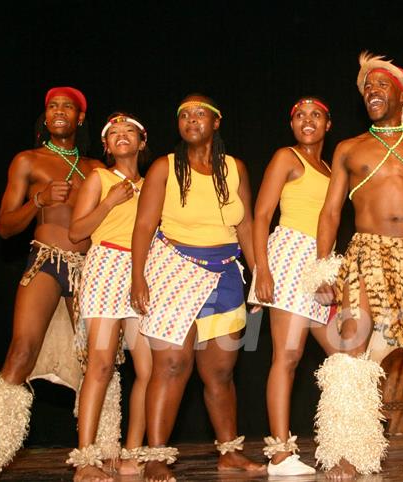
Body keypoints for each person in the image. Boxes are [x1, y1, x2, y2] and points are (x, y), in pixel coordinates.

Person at [308, 52, 403, 479]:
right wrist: (324, 270)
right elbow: (330, 213)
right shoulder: (350, 148)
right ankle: (348, 450)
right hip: (365, 254)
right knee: (352, 346)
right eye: (367, 87)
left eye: (381, 85)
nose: (372, 91)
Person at [0, 87, 102, 482]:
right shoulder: (29, 160)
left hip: (89, 269)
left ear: (79, 119)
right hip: (45, 261)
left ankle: (97, 451)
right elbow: (5, 226)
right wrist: (38, 200)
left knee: (98, 362)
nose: (59, 112)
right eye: (52, 107)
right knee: (21, 352)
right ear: (45, 117)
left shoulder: (96, 167)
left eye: (68, 108)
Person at [130, 94, 265, 482]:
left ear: (216, 122)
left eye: (199, 114)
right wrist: (138, 276)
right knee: (172, 364)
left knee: (221, 371)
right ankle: (156, 456)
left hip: (225, 274)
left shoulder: (235, 168)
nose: (191, 120)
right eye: (184, 115)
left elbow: (246, 226)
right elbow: (143, 225)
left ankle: (229, 452)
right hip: (175, 268)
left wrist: (258, 275)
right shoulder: (164, 167)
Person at [249, 96, 339, 476]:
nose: (307, 121)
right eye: (300, 115)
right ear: (291, 124)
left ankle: (344, 439)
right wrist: (262, 271)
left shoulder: (332, 168)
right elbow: (262, 214)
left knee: (345, 353)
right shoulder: (287, 157)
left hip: (319, 263)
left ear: (328, 125)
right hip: (287, 256)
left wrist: (328, 272)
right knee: (287, 357)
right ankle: (280, 453)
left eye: (315, 115)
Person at [67, 113, 153, 481]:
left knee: (151, 369)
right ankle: (85, 459)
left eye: (128, 132)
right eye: (113, 134)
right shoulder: (99, 179)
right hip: (105, 266)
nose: (121, 137)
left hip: (144, 272)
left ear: (142, 141)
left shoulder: (153, 184)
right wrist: (110, 202)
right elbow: (76, 232)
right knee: (100, 364)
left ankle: (131, 453)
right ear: (105, 145)